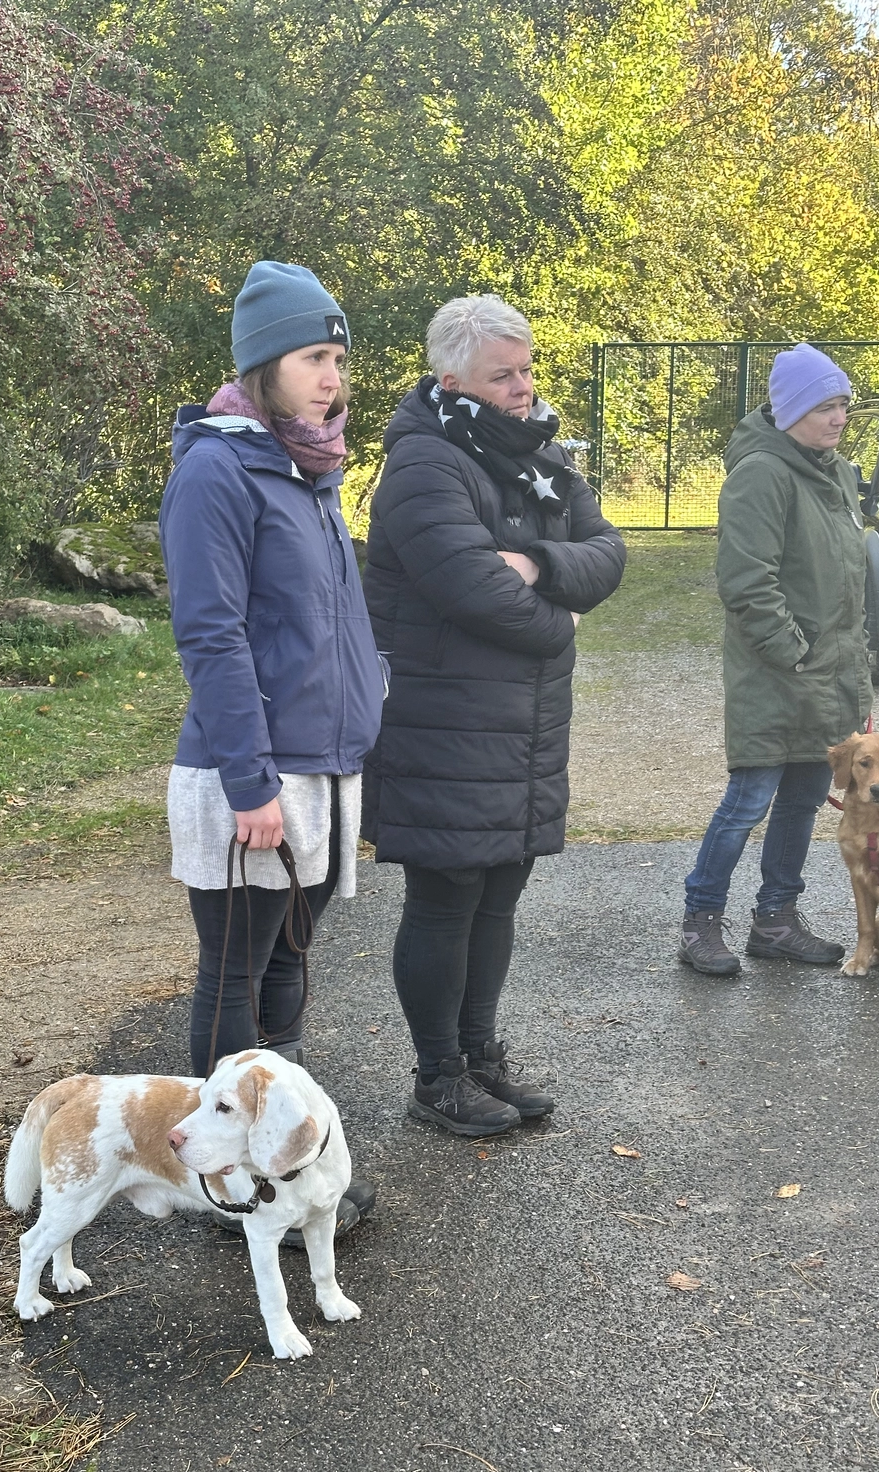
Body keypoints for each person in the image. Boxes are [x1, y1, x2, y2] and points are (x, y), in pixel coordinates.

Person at [361, 294, 626, 1135]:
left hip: (523, 727)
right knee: (446, 896)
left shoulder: (537, 457)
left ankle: (481, 1058)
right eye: (501, 376)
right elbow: (472, 589)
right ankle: (436, 1077)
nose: (522, 388)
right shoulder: (422, 464)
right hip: (441, 724)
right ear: (452, 380)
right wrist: (562, 619)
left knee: (500, 893)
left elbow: (608, 553)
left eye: (527, 369)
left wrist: (540, 565)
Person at [158, 260, 386, 1231]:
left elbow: (334, 625)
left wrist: (369, 707)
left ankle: (279, 1170)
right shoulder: (218, 469)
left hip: (322, 771)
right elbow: (213, 635)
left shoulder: (310, 469)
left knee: (291, 961)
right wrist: (252, 782)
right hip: (245, 777)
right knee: (236, 974)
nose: (332, 377)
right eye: (312, 357)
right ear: (263, 367)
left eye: (338, 357)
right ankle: (223, 1186)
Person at [679, 343, 872, 976]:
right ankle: (700, 920)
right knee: (749, 798)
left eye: (844, 403)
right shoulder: (762, 472)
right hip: (777, 671)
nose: (840, 417)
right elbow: (746, 581)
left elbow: (844, 577)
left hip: (832, 675)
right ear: (791, 411)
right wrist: (794, 651)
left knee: (806, 796)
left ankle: (777, 921)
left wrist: (850, 661)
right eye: (826, 405)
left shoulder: (838, 471)